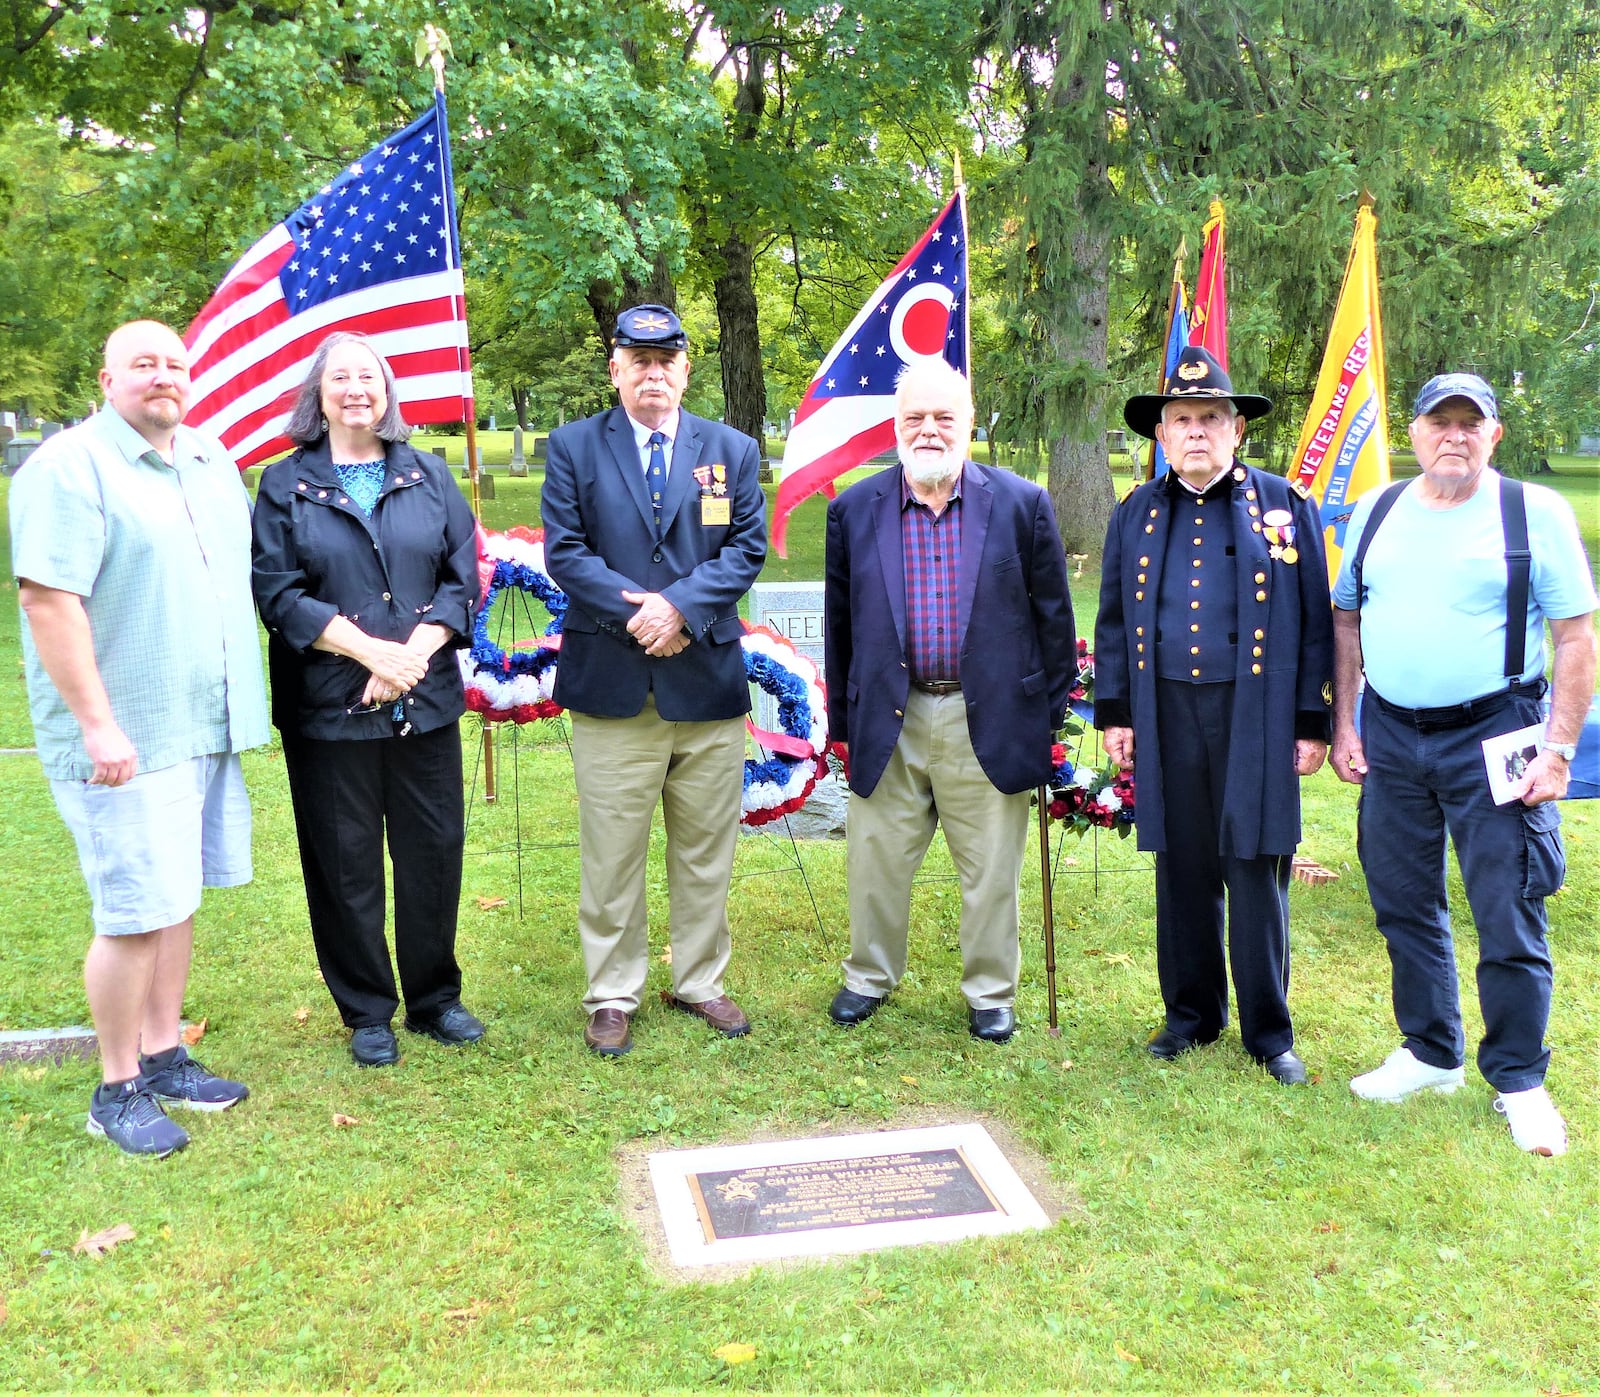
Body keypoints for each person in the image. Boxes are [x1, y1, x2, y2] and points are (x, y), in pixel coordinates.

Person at [12, 320, 268, 1157]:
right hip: (125, 736)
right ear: (107, 377)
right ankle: (114, 1086)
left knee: (177, 895)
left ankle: (164, 1056)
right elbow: (49, 600)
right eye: (144, 364)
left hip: (202, 721)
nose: (164, 376)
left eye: (174, 364)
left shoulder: (206, 458)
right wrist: (97, 724)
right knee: (131, 911)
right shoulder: (68, 467)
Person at [1332, 372, 1597, 1156]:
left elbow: (1577, 636)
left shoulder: (1533, 512)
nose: (1454, 435)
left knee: (1507, 905)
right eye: (1438, 421)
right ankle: (1430, 1049)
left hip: (1497, 732)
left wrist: (1558, 749)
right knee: (1402, 896)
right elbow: (1347, 612)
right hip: (1391, 731)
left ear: (1494, 435)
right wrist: (1346, 722)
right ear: (1413, 432)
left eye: (1469, 423)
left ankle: (1518, 1078)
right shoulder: (1378, 508)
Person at [1094, 345, 1333, 1085]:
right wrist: (1117, 713)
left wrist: (1310, 721)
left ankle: (1269, 1032)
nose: (1196, 432)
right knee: (1183, 865)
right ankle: (1191, 1016)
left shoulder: (1283, 506)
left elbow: (1316, 623)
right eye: (1181, 421)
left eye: (1210, 418)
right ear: (1160, 437)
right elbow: (1111, 623)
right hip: (1165, 711)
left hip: (1255, 712)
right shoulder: (1135, 512)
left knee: (1256, 864)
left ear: (1237, 431)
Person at [822, 359, 1076, 1043]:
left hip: (986, 715)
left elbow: (1055, 623)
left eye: (944, 417)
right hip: (889, 712)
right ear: (895, 426)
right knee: (875, 858)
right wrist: (843, 727)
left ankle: (991, 991)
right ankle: (869, 976)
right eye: (915, 418)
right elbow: (839, 626)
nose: (929, 429)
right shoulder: (854, 509)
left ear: (969, 423)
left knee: (991, 867)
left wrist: (1041, 718)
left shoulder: (1023, 504)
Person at [251, 332, 484, 1068]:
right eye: (340, 377)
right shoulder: (283, 485)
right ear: (317, 394)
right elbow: (279, 593)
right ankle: (367, 1009)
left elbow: (461, 578)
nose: (356, 388)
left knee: (433, 850)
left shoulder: (429, 474)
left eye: (369, 377)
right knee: (345, 861)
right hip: (330, 708)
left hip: (425, 700)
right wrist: (367, 652)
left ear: (387, 393)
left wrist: (409, 657)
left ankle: (434, 998)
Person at [541, 304, 767, 1057]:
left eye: (667, 359)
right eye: (638, 360)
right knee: (613, 850)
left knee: (706, 847)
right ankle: (612, 990)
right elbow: (567, 552)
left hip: (703, 679)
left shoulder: (728, 450)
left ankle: (700, 977)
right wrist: (640, 613)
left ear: (686, 368)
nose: (653, 373)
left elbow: (745, 548)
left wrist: (681, 608)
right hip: (613, 679)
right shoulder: (575, 448)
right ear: (615, 368)